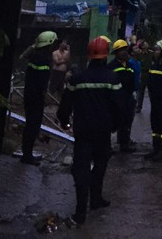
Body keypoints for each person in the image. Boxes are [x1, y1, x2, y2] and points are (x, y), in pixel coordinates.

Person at [57, 37, 122, 226]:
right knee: (100, 165)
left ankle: (80, 212)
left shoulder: (78, 78)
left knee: (81, 169)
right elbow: (119, 107)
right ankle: (95, 199)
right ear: (105, 55)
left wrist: (64, 122)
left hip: (83, 130)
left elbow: (65, 106)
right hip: (103, 131)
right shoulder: (112, 78)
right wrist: (116, 126)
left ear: (89, 56)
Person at [20, 30, 58, 165]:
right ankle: (27, 155)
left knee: (30, 125)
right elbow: (42, 84)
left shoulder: (35, 56)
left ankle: (27, 153)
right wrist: (45, 98)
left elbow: (23, 56)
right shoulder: (42, 60)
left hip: (30, 96)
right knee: (32, 126)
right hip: (35, 98)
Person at [107, 39, 136, 152]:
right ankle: (107, 146)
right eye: (120, 50)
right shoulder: (111, 66)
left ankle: (124, 144)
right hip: (116, 99)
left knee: (126, 121)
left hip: (128, 98)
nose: (123, 52)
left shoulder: (129, 65)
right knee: (112, 122)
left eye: (125, 49)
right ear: (116, 53)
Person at [135, 40, 151, 113]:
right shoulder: (139, 54)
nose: (147, 44)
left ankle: (154, 106)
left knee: (151, 91)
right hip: (142, 73)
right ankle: (138, 107)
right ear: (142, 46)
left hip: (150, 73)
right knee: (140, 91)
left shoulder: (151, 53)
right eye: (145, 43)